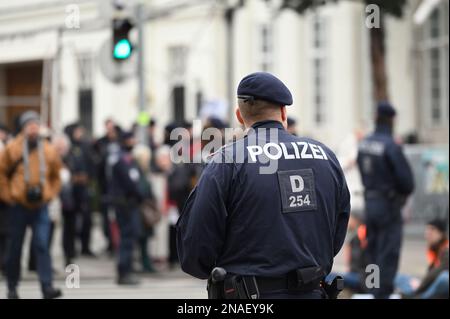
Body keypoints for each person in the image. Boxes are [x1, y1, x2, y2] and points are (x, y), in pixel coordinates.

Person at [177, 72, 351, 299]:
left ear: (239, 116)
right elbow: (336, 233)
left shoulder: (227, 161)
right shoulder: (325, 157)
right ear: (283, 112)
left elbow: (195, 249)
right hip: (312, 292)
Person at [0, 111, 63, 299]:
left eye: (36, 125)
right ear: (24, 128)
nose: (33, 129)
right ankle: (12, 287)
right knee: (15, 248)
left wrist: (49, 194)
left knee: (42, 245)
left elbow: (56, 176)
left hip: (40, 206)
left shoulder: (48, 149)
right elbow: (1, 174)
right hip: (18, 205)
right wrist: (8, 196)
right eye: (30, 125)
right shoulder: (12, 148)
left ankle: (47, 286)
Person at [357, 101, 415, 299]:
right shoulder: (390, 145)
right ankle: (382, 294)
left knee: (372, 250)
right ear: (391, 120)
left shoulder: (364, 143)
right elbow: (407, 182)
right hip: (388, 206)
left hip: (370, 204)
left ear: (376, 117)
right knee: (387, 252)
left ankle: (373, 290)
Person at [111, 132, 146, 285]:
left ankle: (126, 270)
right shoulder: (124, 159)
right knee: (127, 238)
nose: (134, 141)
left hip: (126, 203)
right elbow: (131, 182)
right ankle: (124, 271)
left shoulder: (123, 157)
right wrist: (140, 194)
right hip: (126, 204)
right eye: (132, 139)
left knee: (129, 237)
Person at [397, 219, 449, 299]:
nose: (428, 234)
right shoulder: (434, 250)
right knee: (400, 278)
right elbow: (431, 274)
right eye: (427, 230)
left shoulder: (446, 249)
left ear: (441, 234)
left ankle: (417, 296)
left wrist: (420, 286)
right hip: (430, 288)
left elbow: (437, 273)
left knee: (444, 278)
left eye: (432, 230)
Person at [65, 123, 95, 257]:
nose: (80, 133)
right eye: (78, 131)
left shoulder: (84, 146)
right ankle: (70, 249)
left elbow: (91, 163)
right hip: (71, 189)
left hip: (84, 188)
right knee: (71, 222)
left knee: (87, 219)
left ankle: (85, 246)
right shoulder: (67, 147)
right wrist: (74, 177)